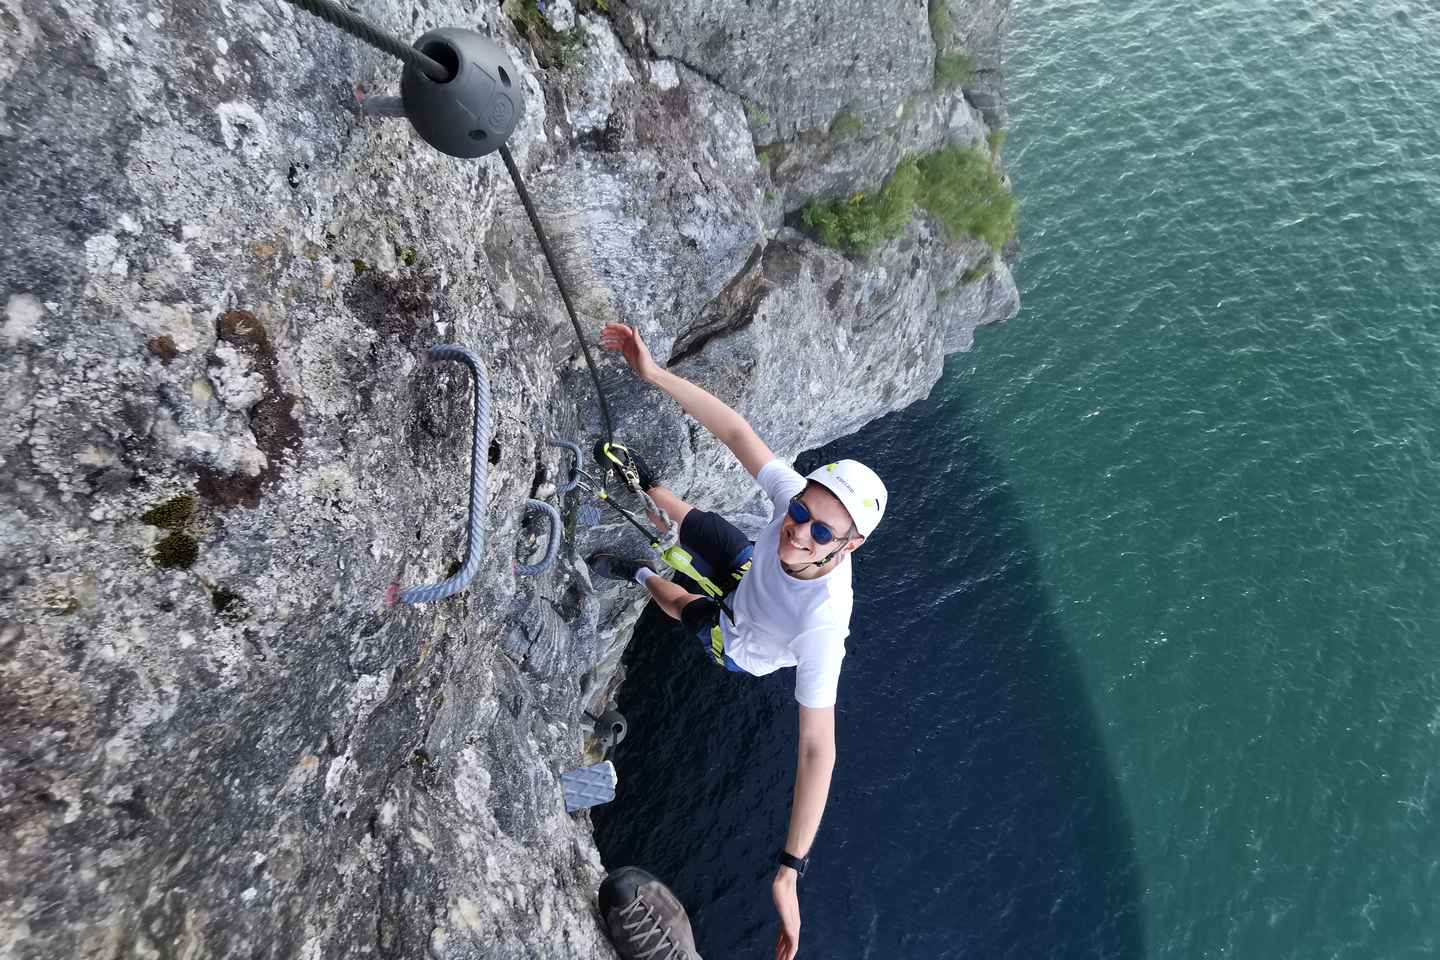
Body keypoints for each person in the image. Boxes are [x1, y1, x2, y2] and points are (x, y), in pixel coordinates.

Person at [588, 322, 887, 960]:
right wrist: (654, 374)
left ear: (850, 546)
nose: (800, 532)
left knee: (682, 602)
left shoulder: (825, 623)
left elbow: (817, 751)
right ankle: (646, 485)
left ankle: (636, 573)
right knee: (707, 525)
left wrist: (789, 870)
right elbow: (736, 432)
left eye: (821, 534)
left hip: (743, 639)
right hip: (752, 577)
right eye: (801, 512)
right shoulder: (793, 512)